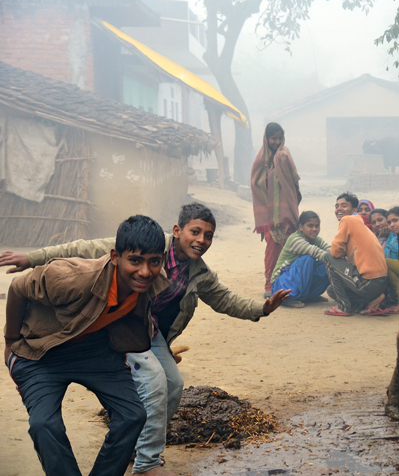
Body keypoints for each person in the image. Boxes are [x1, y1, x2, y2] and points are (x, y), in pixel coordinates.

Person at [0, 203, 291, 476]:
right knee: (54, 420)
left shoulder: (194, 272)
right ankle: (147, 462)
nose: (202, 240)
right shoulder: (128, 254)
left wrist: (261, 309)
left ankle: (139, 450)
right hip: (67, 344)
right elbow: (79, 249)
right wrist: (30, 263)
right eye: (195, 231)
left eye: (209, 236)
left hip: (135, 335)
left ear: (161, 262)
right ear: (177, 231)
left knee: (162, 392)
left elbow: (224, 299)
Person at [3, 215, 168, 476]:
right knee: (44, 425)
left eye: (154, 262)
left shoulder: (152, 281)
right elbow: (18, 288)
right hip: (42, 352)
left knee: (133, 416)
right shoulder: (72, 278)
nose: (145, 272)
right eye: (135, 261)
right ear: (116, 257)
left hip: (95, 351)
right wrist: (10, 342)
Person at [251, 122, 302, 297]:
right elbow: (256, 184)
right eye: (274, 138)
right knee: (272, 248)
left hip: (286, 211)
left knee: (290, 248)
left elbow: (292, 182)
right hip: (268, 214)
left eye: (280, 138)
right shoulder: (261, 159)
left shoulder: (284, 155)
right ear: (267, 138)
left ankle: (287, 283)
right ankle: (269, 283)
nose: (277, 141)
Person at [324, 195, 389, 316]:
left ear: (354, 210)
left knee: (327, 257)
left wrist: (342, 253)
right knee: (331, 291)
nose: (339, 209)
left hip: (368, 282)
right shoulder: (361, 224)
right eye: (337, 206)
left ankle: (344, 307)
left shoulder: (348, 220)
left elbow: (334, 252)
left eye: (344, 206)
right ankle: (373, 301)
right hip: (380, 284)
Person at [271, 211, 331, 308]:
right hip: (281, 285)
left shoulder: (316, 240)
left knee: (326, 265)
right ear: (301, 227)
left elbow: (329, 250)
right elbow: (316, 252)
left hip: (297, 281)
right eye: (310, 226)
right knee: (308, 259)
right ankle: (289, 298)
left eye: (317, 226)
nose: (314, 229)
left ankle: (310, 296)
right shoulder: (295, 239)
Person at [382, 206, 399, 314]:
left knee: (385, 262)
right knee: (387, 267)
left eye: (395, 220)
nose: (392, 225)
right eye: (389, 222)